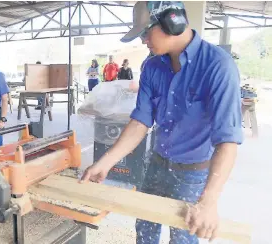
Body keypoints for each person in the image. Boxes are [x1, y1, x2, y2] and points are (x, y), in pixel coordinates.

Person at [80, 2, 242, 244]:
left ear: (172, 20)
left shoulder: (217, 66)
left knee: (183, 238)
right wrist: (105, 163)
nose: (143, 40)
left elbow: (227, 140)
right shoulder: (153, 67)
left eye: (146, 32)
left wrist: (209, 201)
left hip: (193, 173)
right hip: (156, 165)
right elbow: (140, 122)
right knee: (144, 230)